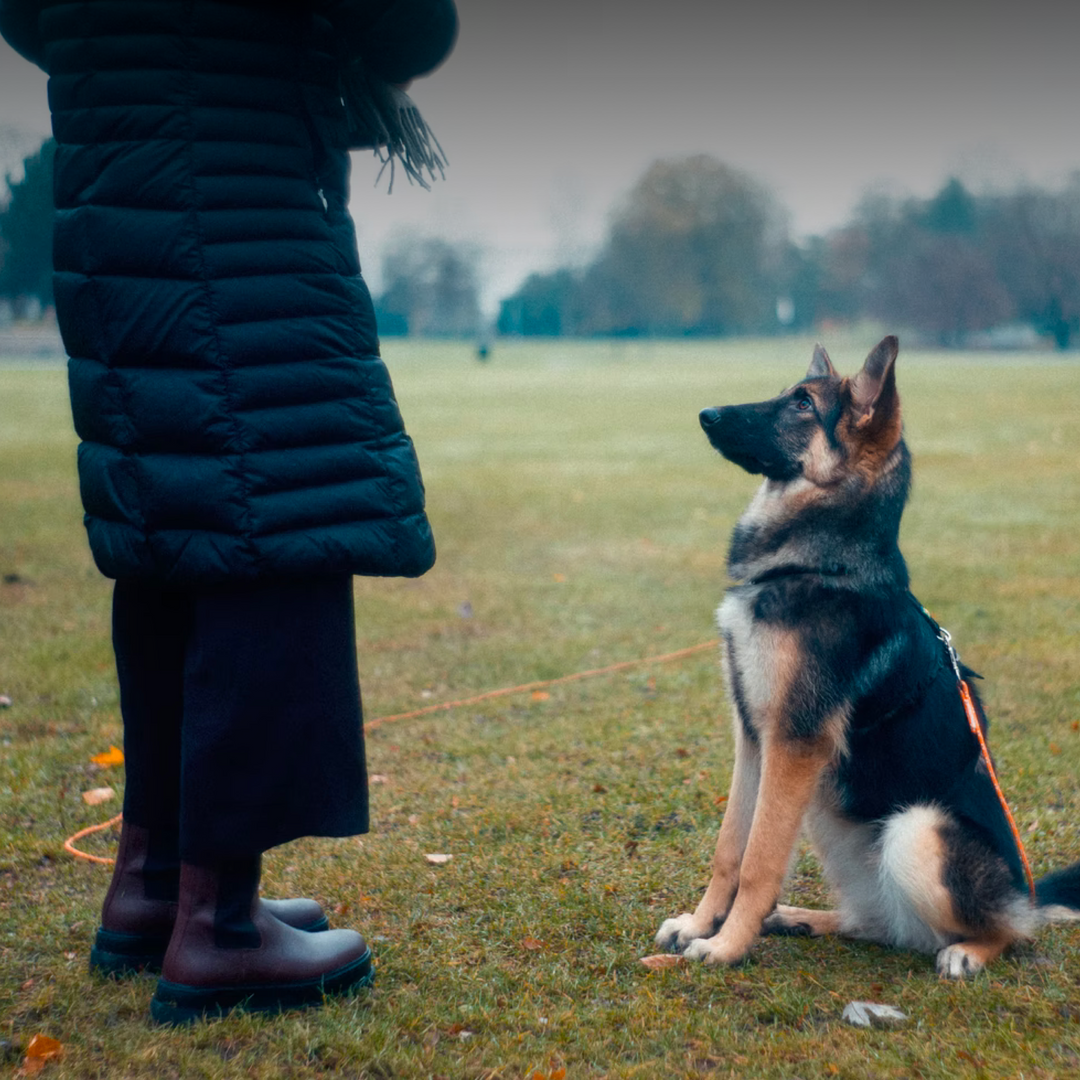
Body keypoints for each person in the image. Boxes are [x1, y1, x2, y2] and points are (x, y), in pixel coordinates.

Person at [0, 0, 457, 1024]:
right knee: (278, 520)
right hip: (234, 194)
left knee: (182, 526)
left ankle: (156, 884)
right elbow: (409, 24)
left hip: (118, 185)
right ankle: (225, 926)